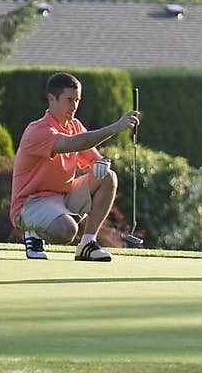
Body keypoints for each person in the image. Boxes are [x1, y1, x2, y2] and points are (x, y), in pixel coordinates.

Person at [10, 72, 140, 262]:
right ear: (51, 99)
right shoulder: (37, 130)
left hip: (62, 198)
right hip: (30, 204)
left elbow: (94, 157)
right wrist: (115, 127)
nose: (74, 106)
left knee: (108, 177)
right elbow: (77, 143)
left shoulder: (74, 126)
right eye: (69, 100)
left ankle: (87, 244)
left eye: (77, 100)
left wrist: (102, 163)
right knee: (67, 230)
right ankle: (34, 233)